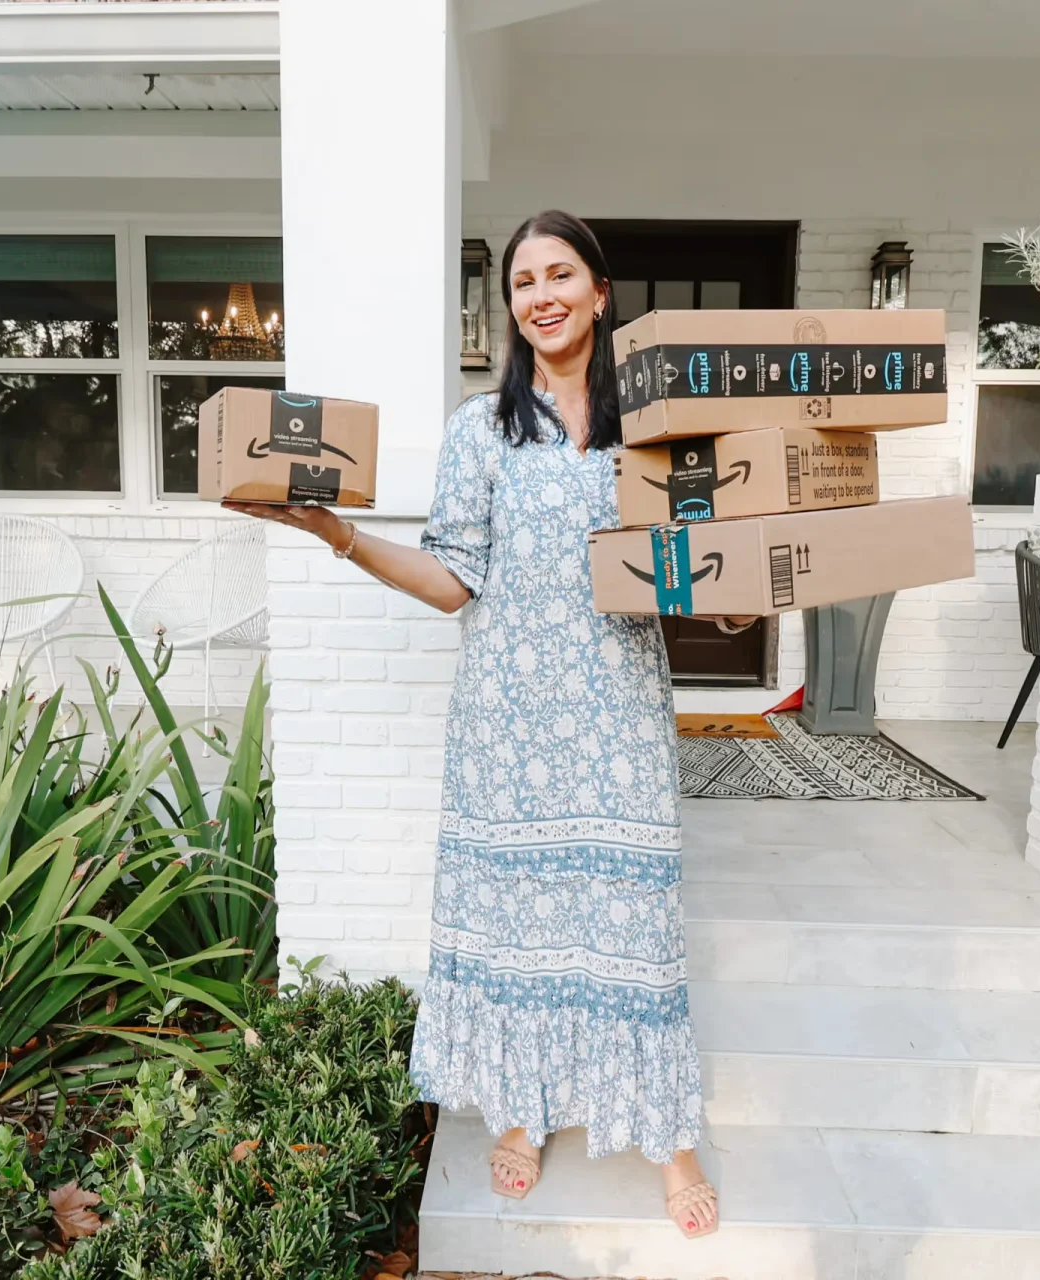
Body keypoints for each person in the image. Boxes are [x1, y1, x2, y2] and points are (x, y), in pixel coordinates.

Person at [225, 209, 746, 1239]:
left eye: (561, 274)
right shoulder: (481, 429)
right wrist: (342, 537)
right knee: (518, 925)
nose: (541, 294)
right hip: (506, 724)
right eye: (523, 282)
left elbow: (707, 572)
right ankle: (522, 1105)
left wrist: (747, 588)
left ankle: (668, 1134)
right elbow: (455, 578)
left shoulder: (662, 421)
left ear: (602, 291)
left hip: (615, 711)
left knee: (629, 926)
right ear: (511, 306)